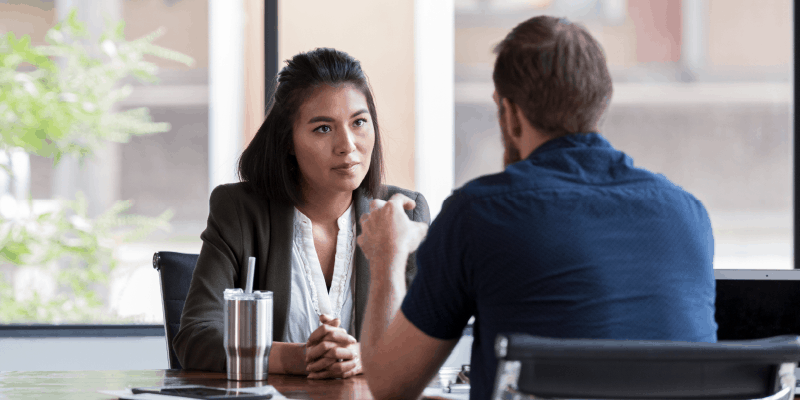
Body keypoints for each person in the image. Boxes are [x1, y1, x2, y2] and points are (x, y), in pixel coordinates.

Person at [357, 16, 716, 400]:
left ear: (509, 114)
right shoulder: (688, 215)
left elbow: (388, 385)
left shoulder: (478, 214)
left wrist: (387, 256)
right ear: (601, 103)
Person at [173, 48, 430, 379]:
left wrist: (366, 356)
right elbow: (195, 336)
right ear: (288, 141)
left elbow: (426, 337)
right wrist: (294, 358)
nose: (348, 145)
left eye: (359, 122)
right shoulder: (238, 210)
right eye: (323, 128)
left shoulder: (403, 213)